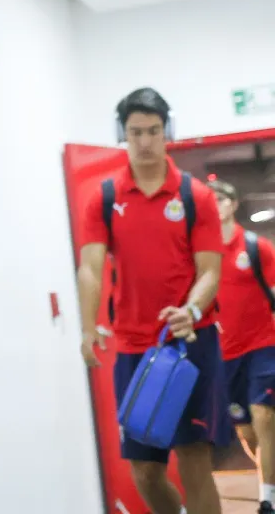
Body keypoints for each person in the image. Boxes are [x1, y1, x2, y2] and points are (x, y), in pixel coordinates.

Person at [77, 86, 228, 514]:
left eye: (153, 131)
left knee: (195, 459)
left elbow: (210, 271)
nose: (144, 141)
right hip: (135, 349)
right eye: (135, 132)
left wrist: (192, 310)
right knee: (144, 469)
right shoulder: (104, 198)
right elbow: (90, 267)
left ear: (167, 132)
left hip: (191, 344)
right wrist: (87, 328)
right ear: (122, 134)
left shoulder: (194, 196)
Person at [210, 178, 275, 514]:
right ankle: (270, 469)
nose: (216, 204)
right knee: (248, 432)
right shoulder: (201, 255)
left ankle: (268, 498)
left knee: (265, 416)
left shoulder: (255, 247)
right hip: (226, 354)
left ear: (233, 204)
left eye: (222, 199)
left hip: (264, 346)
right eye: (211, 200)